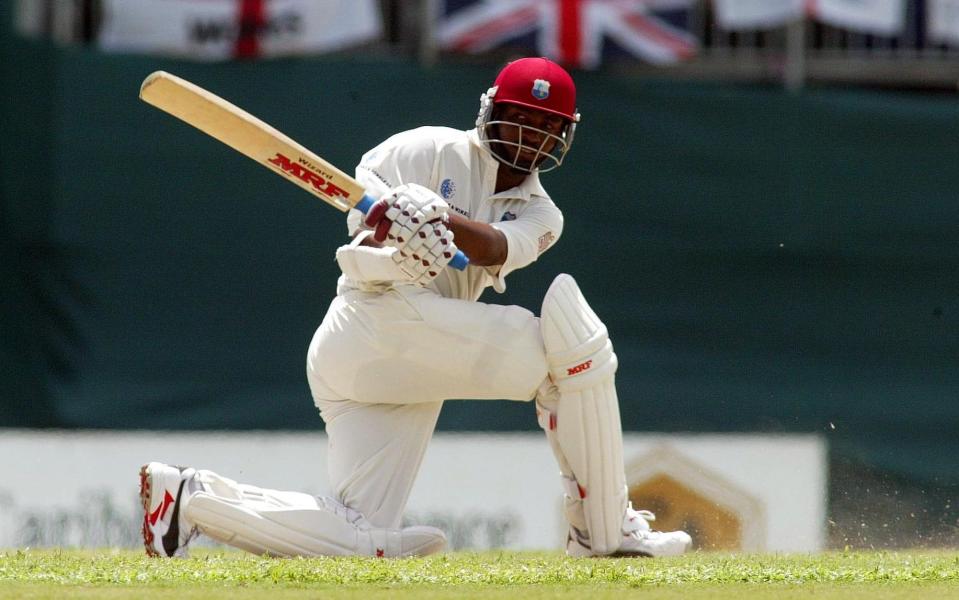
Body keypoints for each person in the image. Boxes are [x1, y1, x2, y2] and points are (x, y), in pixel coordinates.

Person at [140, 57, 693, 559]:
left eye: (548, 126)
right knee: (570, 355)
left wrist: (440, 220)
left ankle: (189, 499)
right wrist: (398, 226)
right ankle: (603, 531)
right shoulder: (424, 149)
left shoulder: (543, 215)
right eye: (522, 118)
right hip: (375, 321)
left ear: (565, 136)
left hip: (404, 359)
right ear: (491, 112)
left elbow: (498, 248)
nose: (533, 136)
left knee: (362, 536)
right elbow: (361, 239)